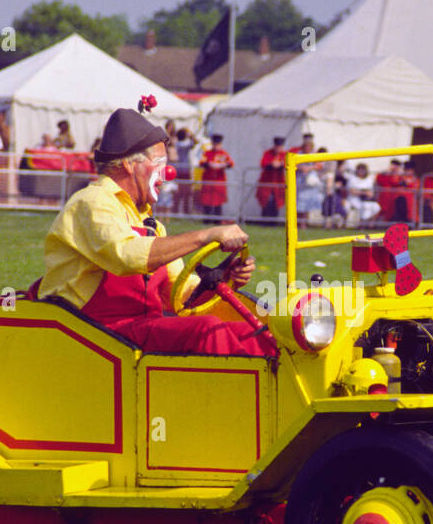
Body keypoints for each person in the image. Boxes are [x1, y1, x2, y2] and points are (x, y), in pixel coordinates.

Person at [37, 107, 270, 356]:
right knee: (207, 329)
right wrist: (205, 236)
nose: (167, 173)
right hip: (95, 332)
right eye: (159, 163)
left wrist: (223, 277)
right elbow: (125, 256)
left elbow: (176, 295)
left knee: (245, 331)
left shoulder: (151, 224)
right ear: (128, 164)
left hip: (138, 329)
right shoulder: (92, 201)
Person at [197, 134, 234, 219]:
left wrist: (222, 165)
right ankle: (207, 219)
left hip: (219, 182)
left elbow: (231, 163)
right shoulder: (207, 153)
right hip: (208, 181)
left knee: (218, 201)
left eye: (218, 144)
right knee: (207, 200)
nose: (216, 146)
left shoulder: (224, 154)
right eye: (214, 144)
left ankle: (217, 220)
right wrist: (209, 165)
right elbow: (202, 162)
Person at [257, 136, 287, 218]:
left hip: (278, 182)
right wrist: (272, 164)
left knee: (276, 201)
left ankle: (274, 221)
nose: (278, 148)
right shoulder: (268, 153)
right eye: (277, 146)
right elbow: (263, 164)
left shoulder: (285, 154)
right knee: (266, 201)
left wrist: (280, 165)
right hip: (267, 182)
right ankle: (265, 220)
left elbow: (287, 164)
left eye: (280, 146)